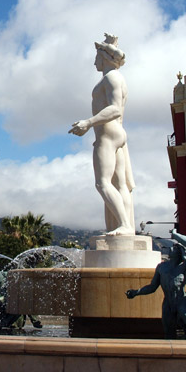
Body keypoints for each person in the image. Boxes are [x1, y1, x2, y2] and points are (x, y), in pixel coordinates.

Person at [69, 33, 135, 236]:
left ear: (105, 58)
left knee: (102, 183)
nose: (94, 62)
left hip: (108, 134)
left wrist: (88, 122)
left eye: (97, 57)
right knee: (120, 184)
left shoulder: (111, 78)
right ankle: (126, 227)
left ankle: (124, 224)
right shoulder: (117, 78)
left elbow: (115, 109)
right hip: (117, 134)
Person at [125, 230, 186, 339]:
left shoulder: (184, 267)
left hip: (181, 301)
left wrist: (175, 235)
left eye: (175, 248)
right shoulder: (161, 267)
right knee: (168, 330)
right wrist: (136, 292)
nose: (171, 249)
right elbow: (152, 287)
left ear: (180, 253)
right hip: (167, 303)